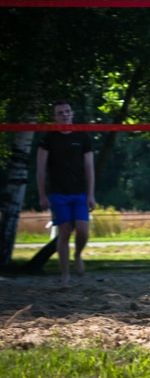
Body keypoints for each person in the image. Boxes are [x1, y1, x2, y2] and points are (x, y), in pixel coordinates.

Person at [35, 100, 96, 285]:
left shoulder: (83, 137)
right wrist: (42, 195)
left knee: (83, 232)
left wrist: (91, 194)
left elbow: (89, 168)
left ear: (72, 113)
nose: (65, 115)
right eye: (60, 113)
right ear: (55, 117)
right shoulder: (48, 139)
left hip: (79, 193)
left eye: (67, 111)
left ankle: (77, 254)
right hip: (58, 193)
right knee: (64, 232)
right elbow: (40, 169)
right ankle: (65, 275)